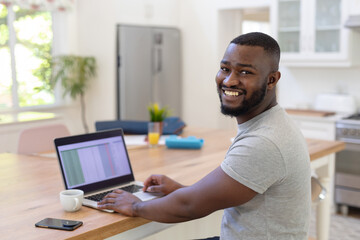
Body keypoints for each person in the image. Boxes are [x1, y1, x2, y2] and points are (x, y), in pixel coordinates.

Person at [98, 32, 311, 239]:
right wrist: (181, 190)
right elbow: (228, 191)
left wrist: (134, 205)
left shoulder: (264, 142)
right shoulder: (270, 123)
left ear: (272, 80)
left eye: (245, 72)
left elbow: (189, 206)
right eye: (224, 69)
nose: (229, 81)